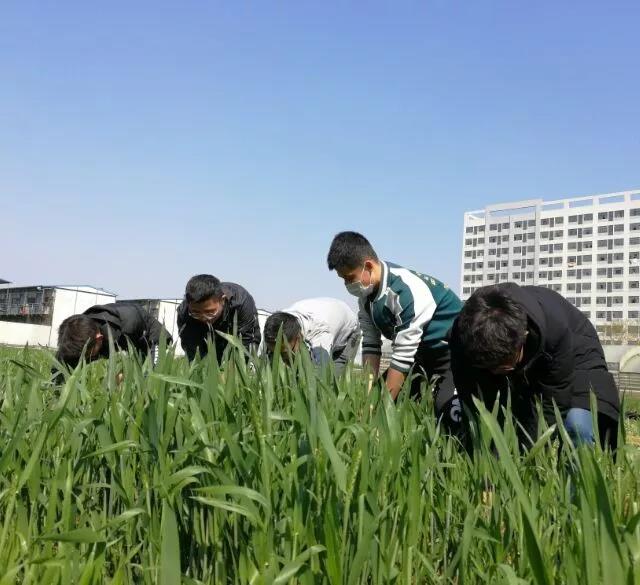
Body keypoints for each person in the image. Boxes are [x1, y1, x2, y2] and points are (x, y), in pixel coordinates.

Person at [449, 283, 620, 450]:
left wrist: (530, 451)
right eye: (491, 367)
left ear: (523, 337)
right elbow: (471, 398)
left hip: (574, 358)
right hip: (521, 358)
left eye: (505, 366)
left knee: (577, 426)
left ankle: (575, 468)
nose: (497, 371)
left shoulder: (555, 328)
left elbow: (553, 400)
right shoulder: (463, 335)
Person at [327, 231, 463, 429]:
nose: (347, 284)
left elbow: (402, 358)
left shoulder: (406, 292)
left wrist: (380, 412)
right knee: (378, 398)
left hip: (453, 355)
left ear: (368, 266)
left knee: (449, 415)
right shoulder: (365, 298)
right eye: (343, 279)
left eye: (349, 277)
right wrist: (369, 398)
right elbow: (371, 344)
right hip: (420, 356)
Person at [55, 302, 172, 369]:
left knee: (150, 376)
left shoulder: (128, 327)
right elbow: (61, 365)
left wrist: (125, 374)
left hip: (152, 335)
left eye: (87, 355)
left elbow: (138, 355)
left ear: (99, 339)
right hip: (112, 332)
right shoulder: (78, 330)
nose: (85, 359)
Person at [177, 274, 261, 362]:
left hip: (234, 331)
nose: (203, 318)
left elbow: (246, 342)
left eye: (210, 312)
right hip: (202, 333)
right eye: (196, 312)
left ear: (222, 300)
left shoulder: (241, 302)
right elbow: (190, 347)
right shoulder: (184, 312)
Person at [263, 297, 361, 372]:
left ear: (299, 337)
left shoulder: (320, 334)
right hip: (324, 312)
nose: (281, 359)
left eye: (284, 353)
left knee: (332, 378)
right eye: (275, 353)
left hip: (348, 331)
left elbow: (322, 372)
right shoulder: (274, 328)